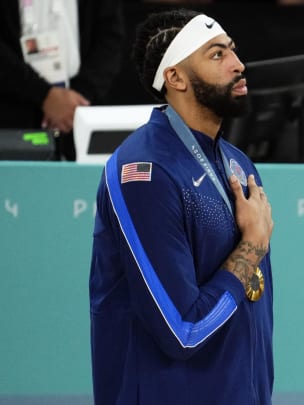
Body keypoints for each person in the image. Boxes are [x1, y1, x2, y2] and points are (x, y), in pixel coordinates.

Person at [89, 9, 274, 404]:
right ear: (174, 77)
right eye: (216, 55)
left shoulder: (238, 164)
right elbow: (182, 332)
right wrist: (253, 245)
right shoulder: (144, 173)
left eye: (234, 51)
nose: (239, 65)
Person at [0, 0, 125, 160]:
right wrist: (43, 94)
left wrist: (78, 97)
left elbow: (110, 36)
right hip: (12, 115)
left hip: (81, 111)